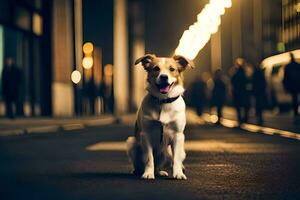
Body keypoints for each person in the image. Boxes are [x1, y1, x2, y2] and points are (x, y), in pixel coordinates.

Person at [230, 58, 250, 125]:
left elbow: (232, 82)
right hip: (243, 92)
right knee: (245, 106)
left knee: (238, 107)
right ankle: (245, 118)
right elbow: (248, 82)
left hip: (237, 92)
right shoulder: (245, 73)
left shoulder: (235, 73)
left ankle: (240, 119)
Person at [283, 53, 300, 123]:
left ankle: (296, 114)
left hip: (292, 86)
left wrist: (286, 86)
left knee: (294, 100)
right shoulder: (298, 65)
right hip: (298, 85)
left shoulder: (288, 66)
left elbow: (285, 78)